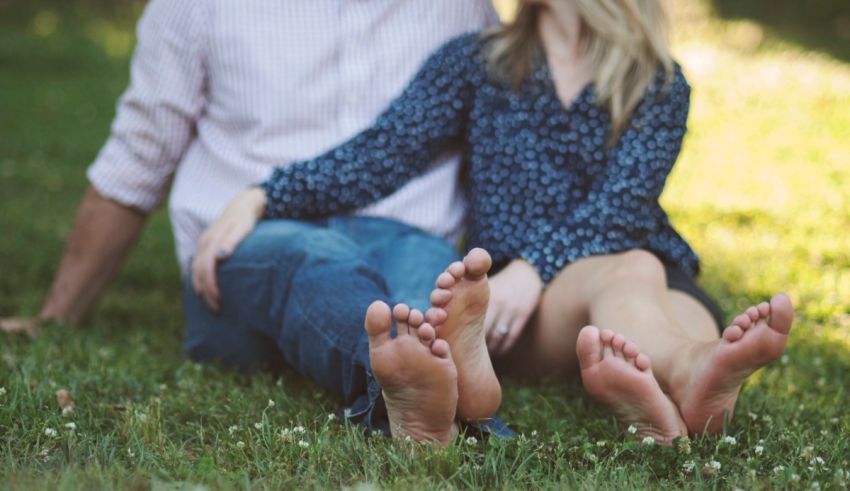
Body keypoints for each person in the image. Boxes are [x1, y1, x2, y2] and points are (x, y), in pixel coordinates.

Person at [200, 0, 795, 444]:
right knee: (635, 272)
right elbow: (384, 151)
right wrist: (264, 194)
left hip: (631, 273)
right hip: (526, 303)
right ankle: (688, 375)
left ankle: (691, 377)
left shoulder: (658, 82)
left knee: (658, 288)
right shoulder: (477, 63)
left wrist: (535, 267)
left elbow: (622, 206)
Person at [0, 1, 505, 445]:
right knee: (321, 265)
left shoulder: (460, 6)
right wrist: (59, 313)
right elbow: (139, 156)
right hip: (254, 243)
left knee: (428, 283)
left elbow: (505, 139)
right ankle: (413, 382)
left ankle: (443, 393)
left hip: (404, 236)